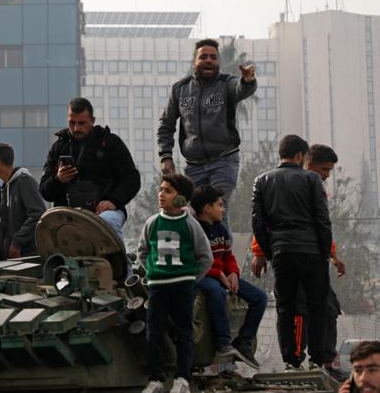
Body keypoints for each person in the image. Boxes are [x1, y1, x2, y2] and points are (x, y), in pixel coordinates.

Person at [251, 143, 345, 370]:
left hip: (283, 253)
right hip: (311, 253)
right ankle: (316, 359)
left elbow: (259, 221)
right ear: (303, 158)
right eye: (325, 170)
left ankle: (293, 360)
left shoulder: (262, 181)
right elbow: (322, 222)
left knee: (288, 307)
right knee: (313, 307)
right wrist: (324, 254)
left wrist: (271, 251)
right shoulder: (311, 181)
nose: (326, 175)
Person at [157, 38, 256, 232]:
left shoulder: (226, 83)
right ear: (195, 62)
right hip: (193, 166)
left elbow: (241, 90)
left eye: (213, 57)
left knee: (216, 209)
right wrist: (165, 156)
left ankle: (221, 258)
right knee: (192, 212)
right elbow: (166, 124)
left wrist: (247, 81)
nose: (209, 60)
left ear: (218, 61)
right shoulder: (181, 89)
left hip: (224, 161)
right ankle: (201, 257)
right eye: (203, 56)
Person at [137, 173, 212, 393]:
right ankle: (156, 379)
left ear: (181, 199)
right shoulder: (152, 222)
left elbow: (205, 256)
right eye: (161, 189)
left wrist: (191, 278)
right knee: (154, 332)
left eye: (168, 191)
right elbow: (143, 252)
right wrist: (153, 272)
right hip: (158, 286)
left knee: (184, 332)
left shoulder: (190, 224)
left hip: (183, 286)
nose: (161, 194)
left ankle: (182, 379)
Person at [39, 97, 140, 246]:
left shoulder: (111, 143)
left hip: (104, 211)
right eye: (72, 123)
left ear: (92, 120)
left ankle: (123, 268)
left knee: (107, 222)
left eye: (82, 123)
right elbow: (44, 191)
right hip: (67, 215)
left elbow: (132, 179)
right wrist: (58, 179)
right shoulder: (58, 148)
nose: (76, 129)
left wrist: (113, 201)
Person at [190, 185, 266, 369]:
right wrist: (219, 275)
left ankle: (244, 342)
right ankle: (223, 342)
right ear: (207, 208)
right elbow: (195, 261)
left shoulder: (220, 230)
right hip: (203, 275)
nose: (223, 210)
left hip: (224, 275)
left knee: (259, 297)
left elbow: (227, 256)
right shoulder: (192, 230)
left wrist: (233, 273)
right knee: (218, 293)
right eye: (220, 205)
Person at [0, 143, 46, 258]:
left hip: (28, 258)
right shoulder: (6, 187)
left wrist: (17, 243)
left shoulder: (24, 180)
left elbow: (38, 214)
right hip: (13, 259)